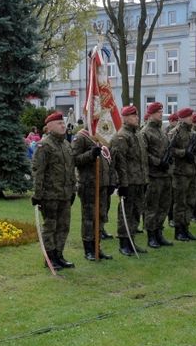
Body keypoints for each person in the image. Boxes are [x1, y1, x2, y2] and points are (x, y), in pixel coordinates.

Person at [31, 112, 76, 270]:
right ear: (49, 126)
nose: (63, 126)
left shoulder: (66, 145)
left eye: (63, 123)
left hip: (65, 194)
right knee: (50, 226)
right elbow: (38, 171)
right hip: (50, 195)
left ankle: (59, 255)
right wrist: (37, 195)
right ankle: (49, 258)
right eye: (59, 123)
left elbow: (71, 170)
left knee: (64, 226)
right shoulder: (44, 145)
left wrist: (73, 189)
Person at [111, 105, 149, 256]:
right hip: (128, 182)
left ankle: (131, 241)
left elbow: (142, 160)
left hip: (139, 180)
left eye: (137, 115)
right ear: (125, 118)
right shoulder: (121, 136)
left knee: (136, 212)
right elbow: (120, 163)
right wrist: (122, 184)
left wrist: (145, 179)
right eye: (133, 116)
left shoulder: (138, 135)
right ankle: (123, 243)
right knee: (126, 213)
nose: (136, 118)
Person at [71, 128, 113, 261]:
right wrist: (90, 154)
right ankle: (89, 249)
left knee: (100, 217)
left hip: (102, 184)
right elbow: (75, 159)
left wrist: (110, 181)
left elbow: (107, 160)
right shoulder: (81, 137)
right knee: (89, 218)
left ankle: (97, 247)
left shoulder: (101, 137)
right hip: (89, 184)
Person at [140, 102, 174, 248]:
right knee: (152, 207)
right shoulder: (145, 132)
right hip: (154, 175)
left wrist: (169, 159)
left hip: (165, 175)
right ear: (151, 113)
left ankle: (159, 232)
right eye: (158, 112)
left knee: (164, 206)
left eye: (161, 111)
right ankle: (151, 235)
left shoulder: (162, 131)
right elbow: (144, 153)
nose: (161, 114)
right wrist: (157, 162)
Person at [169, 107, 196, 241]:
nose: (191, 118)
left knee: (190, 202)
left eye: (191, 116)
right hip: (180, 173)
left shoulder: (193, 133)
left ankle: (186, 228)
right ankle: (179, 230)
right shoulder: (174, 133)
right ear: (181, 118)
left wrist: (194, 161)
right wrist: (183, 153)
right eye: (188, 116)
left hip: (191, 173)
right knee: (180, 203)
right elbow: (169, 150)